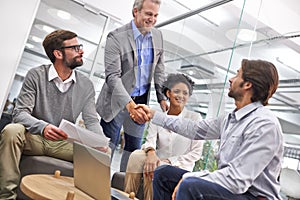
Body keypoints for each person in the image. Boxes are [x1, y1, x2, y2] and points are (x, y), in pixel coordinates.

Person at [134, 59, 283, 200]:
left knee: (190, 186)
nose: (231, 79)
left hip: (253, 196)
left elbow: (237, 180)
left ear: (247, 84)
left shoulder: (264, 125)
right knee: (163, 173)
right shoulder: (230, 119)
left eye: (237, 74)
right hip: (233, 190)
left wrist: (189, 177)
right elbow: (194, 129)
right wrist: (154, 115)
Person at [0, 29, 107, 200]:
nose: (82, 51)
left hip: (64, 144)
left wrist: (100, 143)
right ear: (58, 53)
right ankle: (7, 196)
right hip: (35, 138)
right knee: (12, 131)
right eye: (76, 47)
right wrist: (43, 127)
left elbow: (91, 120)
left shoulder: (86, 85)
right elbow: (20, 113)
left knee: (102, 151)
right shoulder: (36, 75)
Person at [96, 0, 168, 172]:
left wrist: (162, 96)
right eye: (148, 14)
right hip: (116, 103)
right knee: (107, 148)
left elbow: (159, 68)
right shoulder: (116, 37)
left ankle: (120, 190)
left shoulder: (157, 36)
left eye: (156, 15)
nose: (152, 19)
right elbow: (113, 77)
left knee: (133, 151)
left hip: (141, 102)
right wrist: (129, 106)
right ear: (135, 12)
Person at [124, 73, 204, 200]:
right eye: (177, 91)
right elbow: (149, 141)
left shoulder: (195, 118)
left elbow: (196, 153)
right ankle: (127, 196)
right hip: (157, 161)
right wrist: (151, 153)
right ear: (168, 93)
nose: (181, 96)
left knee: (157, 167)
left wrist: (168, 161)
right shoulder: (159, 117)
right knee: (137, 156)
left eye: (185, 93)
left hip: (180, 168)